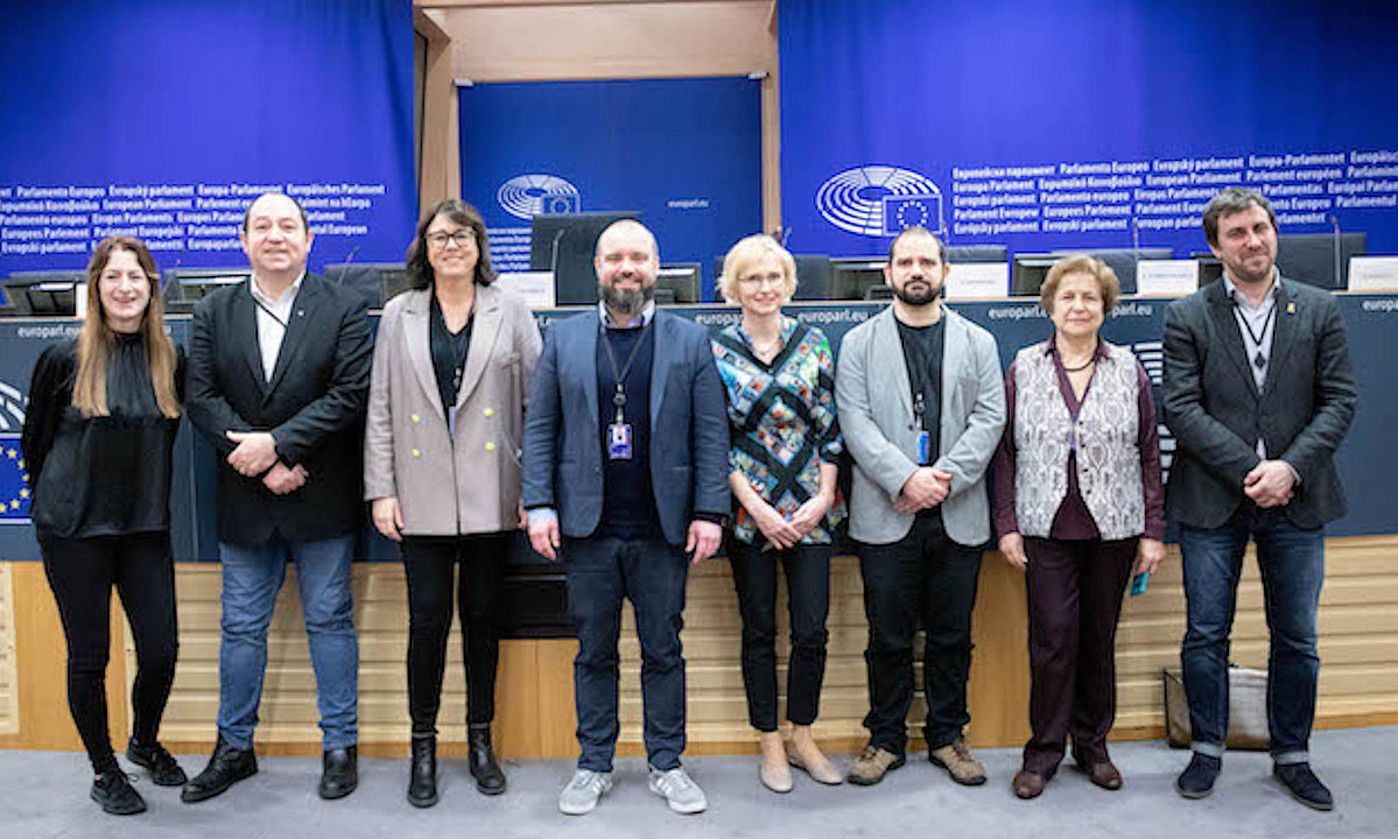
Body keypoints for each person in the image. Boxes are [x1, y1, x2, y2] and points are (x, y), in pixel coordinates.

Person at [522, 220, 729, 816]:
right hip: (587, 530)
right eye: (615, 257)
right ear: (598, 267)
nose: (626, 267)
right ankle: (594, 764)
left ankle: (667, 763)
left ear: (656, 267)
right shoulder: (561, 340)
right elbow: (540, 430)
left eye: (638, 257)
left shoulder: (690, 341)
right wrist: (538, 503)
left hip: (663, 531)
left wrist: (709, 511)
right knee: (594, 652)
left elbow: (710, 434)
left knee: (664, 650)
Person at [1164, 187, 1356, 811]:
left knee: (1297, 636)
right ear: (1216, 246)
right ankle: (1207, 749)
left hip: (1297, 500)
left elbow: (1340, 402)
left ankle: (1293, 755)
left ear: (1274, 232)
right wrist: (1253, 469)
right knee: (1204, 633)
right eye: (1238, 233)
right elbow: (1182, 408)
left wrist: (1290, 470)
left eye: (1261, 228)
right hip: (1213, 498)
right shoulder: (1188, 316)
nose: (1253, 241)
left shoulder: (1319, 308)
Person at [182, 192, 373, 803]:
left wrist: (283, 447)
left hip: (319, 492)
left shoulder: (344, 306)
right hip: (246, 496)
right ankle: (234, 748)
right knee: (241, 627)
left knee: (329, 621)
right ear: (243, 241)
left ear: (308, 239)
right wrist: (262, 462)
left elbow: (349, 394)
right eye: (261, 226)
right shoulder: (213, 311)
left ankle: (339, 746)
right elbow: (202, 398)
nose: (275, 235)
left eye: (287, 225)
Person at [364, 199, 542, 806]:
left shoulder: (510, 309)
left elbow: (536, 409)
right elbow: (381, 408)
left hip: (493, 492)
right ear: (425, 246)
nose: (452, 245)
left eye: (463, 235)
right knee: (428, 625)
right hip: (420, 497)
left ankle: (480, 742)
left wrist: (533, 490)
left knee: (483, 625)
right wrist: (381, 489)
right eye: (441, 236)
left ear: (479, 245)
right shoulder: (399, 313)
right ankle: (423, 748)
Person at [834, 225, 1005, 787]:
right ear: (887, 273)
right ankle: (885, 739)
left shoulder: (978, 342)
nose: (916, 271)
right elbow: (854, 422)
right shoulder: (857, 343)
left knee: (952, 635)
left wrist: (943, 480)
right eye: (905, 261)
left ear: (944, 273)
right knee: (887, 636)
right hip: (887, 513)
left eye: (927, 262)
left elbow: (990, 418)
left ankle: (948, 736)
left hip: (957, 514)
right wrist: (905, 477)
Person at [990, 254, 1166, 799]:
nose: (1079, 306)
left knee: (1098, 641)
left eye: (1090, 297)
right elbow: (1005, 454)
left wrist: (1153, 529)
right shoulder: (1023, 366)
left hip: (1113, 527)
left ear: (1105, 307)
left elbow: (1147, 453)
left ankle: (1093, 746)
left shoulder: (1128, 369)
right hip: (1044, 526)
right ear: (1050, 305)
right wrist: (1007, 524)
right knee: (1052, 642)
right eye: (1068, 297)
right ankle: (1043, 752)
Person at [21, 237, 186, 815]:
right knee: (89, 658)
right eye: (113, 276)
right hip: (73, 530)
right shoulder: (63, 357)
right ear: (95, 287)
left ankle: (143, 743)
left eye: (135, 277)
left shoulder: (170, 360)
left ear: (151, 287)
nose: (124, 287)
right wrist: (63, 501)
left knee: (162, 651)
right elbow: (34, 443)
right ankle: (104, 768)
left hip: (143, 528)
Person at [711, 235, 844, 792]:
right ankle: (769, 741)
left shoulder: (814, 344)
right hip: (752, 517)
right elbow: (717, 440)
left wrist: (821, 500)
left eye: (772, 278)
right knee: (760, 630)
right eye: (751, 278)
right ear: (733, 288)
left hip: (812, 513)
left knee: (811, 631)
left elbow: (830, 430)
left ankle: (803, 734)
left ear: (787, 284)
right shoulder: (715, 351)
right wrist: (757, 508)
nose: (763, 288)